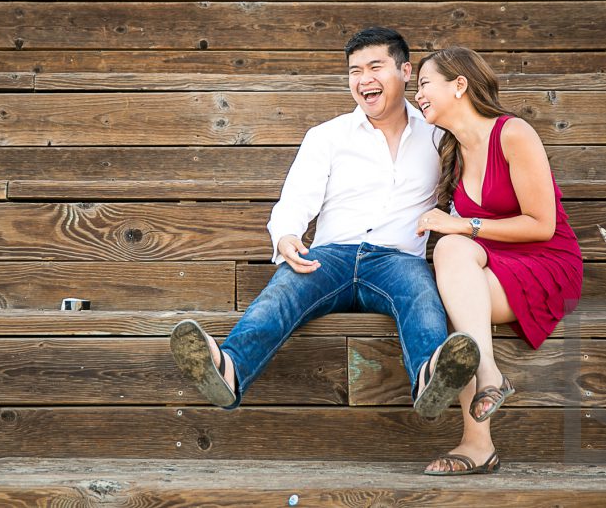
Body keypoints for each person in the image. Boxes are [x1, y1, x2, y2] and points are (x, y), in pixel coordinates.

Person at [170, 27, 480, 424]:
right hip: (331, 257)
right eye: (354, 71)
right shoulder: (327, 137)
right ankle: (228, 370)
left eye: (374, 66)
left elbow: (465, 195)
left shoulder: (439, 136)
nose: (363, 79)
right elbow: (297, 199)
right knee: (283, 290)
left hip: (398, 259)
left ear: (405, 72)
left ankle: (429, 379)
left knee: (421, 295)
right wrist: (285, 237)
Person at [413, 45, 583, 476]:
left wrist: (461, 224)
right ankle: (488, 376)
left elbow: (541, 225)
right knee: (451, 262)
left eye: (424, 84)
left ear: (459, 84)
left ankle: (477, 442)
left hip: (544, 261)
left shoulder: (512, 133)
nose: (419, 95)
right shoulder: (451, 151)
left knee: (455, 261)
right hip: (493, 260)